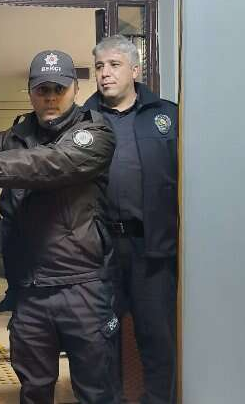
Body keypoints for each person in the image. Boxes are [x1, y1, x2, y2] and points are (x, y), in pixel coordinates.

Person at [0, 49, 120, 404]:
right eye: (42, 89)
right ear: (31, 91)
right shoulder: (16, 136)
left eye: (58, 89)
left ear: (75, 89)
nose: (50, 97)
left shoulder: (94, 132)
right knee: (33, 389)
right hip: (30, 290)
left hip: (82, 285)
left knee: (97, 392)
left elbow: (49, 164)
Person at [83, 35, 178, 404]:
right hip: (99, 251)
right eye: (99, 67)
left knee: (157, 339)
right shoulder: (82, 119)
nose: (105, 73)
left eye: (114, 65)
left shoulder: (166, 116)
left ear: (135, 71)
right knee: (100, 340)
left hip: (153, 250)